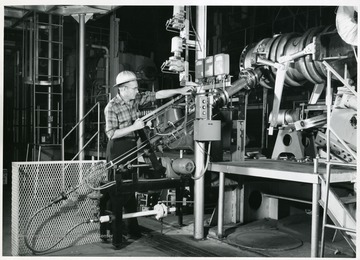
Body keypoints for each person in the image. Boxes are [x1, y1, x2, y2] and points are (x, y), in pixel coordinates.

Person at [104, 70, 192, 239]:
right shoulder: (111, 107)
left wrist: (179, 91)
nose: (138, 91)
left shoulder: (135, 98)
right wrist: (134, 128)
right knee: (116, 189)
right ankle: (112, 231)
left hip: (131, 146)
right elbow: (111, 134)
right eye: (134, 88)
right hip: (117, 148)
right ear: (123, 89)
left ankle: (132, 228)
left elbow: (157, 95)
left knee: (130, 189)